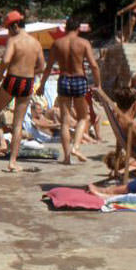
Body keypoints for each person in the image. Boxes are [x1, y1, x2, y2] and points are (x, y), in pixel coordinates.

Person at [37, 19, 101, 164]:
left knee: (65, 121)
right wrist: (98, 85)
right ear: (78, 29)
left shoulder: (57, 43)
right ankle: (76, 147)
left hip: (64, 79)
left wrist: (42, 85)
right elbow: (94, 66)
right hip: (79, 79)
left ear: (65, 29)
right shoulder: (83, 43)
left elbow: (48, 67)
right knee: (83, 118)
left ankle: (66, 157)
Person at [0, 10, 45, 172]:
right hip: (28, 82)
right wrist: (29, 72)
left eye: (8, 28)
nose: (8, 32)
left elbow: (6, 60)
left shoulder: (13, 40)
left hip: (13, 79)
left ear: (14, 26)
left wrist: (0, 74)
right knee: (18, 123)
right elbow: (42, 67)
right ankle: (12, 162)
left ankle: (2, 142)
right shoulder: (36, 43)